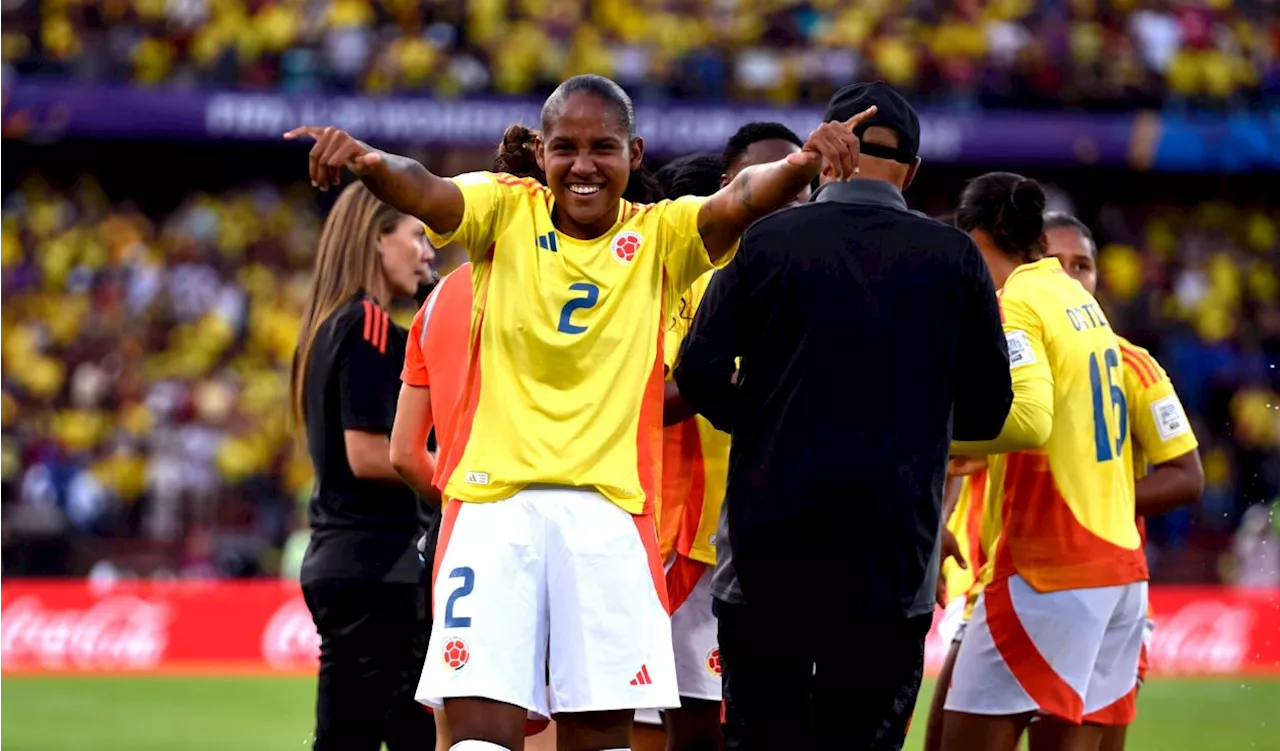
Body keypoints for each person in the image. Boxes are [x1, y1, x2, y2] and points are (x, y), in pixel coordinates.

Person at [286, 73, 874, 751]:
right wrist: (368, 161)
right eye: (565, 147)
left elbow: (738, 197)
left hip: (607, 519)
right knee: (479, 738)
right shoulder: (503, 209)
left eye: (604, 147)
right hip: (495, 513)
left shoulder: (662, 235)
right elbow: (425, 187)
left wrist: (801, 162)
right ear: (540, 152)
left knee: (601, 741)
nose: (584, 165)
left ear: (636, 153)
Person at [673, 82, 1013, 750]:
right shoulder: (955, 258)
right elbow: (991, 405)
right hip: (892, 557)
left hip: (767, 554)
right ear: (911, 171)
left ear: (825, 156)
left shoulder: (767, 241)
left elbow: (698, 371)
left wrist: (766, 420)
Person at [941, 174, 1149, 751]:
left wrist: (936, 442)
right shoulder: (1078, 299)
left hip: (1048, 567)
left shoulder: (1016, 303)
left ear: (975, 235)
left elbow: (1031, 421)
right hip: (1118, 569)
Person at [641, 122, 814, 751]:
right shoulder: (692, 280)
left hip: (783, 537)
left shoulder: (811, 281)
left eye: (801, 185)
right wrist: (739, 382)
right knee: (686, 728)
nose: (788, 196)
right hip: (692, 537)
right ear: (733, 186)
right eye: (773, 180)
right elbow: (643, 401)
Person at [1036, 212, 1203, 751]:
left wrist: (1095, 499)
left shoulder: (1132, 365)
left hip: (1105, 590)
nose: (1069, 275)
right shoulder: (1005, 355)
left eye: (1082, 264)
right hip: (1010, 584)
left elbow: (1186, 475)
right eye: (1052, 262)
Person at [290, 181, 437, 751]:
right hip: (377, 564)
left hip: (352, 561)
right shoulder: (368, 326)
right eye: (418, 235)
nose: (428, 251)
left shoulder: (330, 326)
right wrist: (461, 478)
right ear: (378, 239)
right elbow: (370, 453)